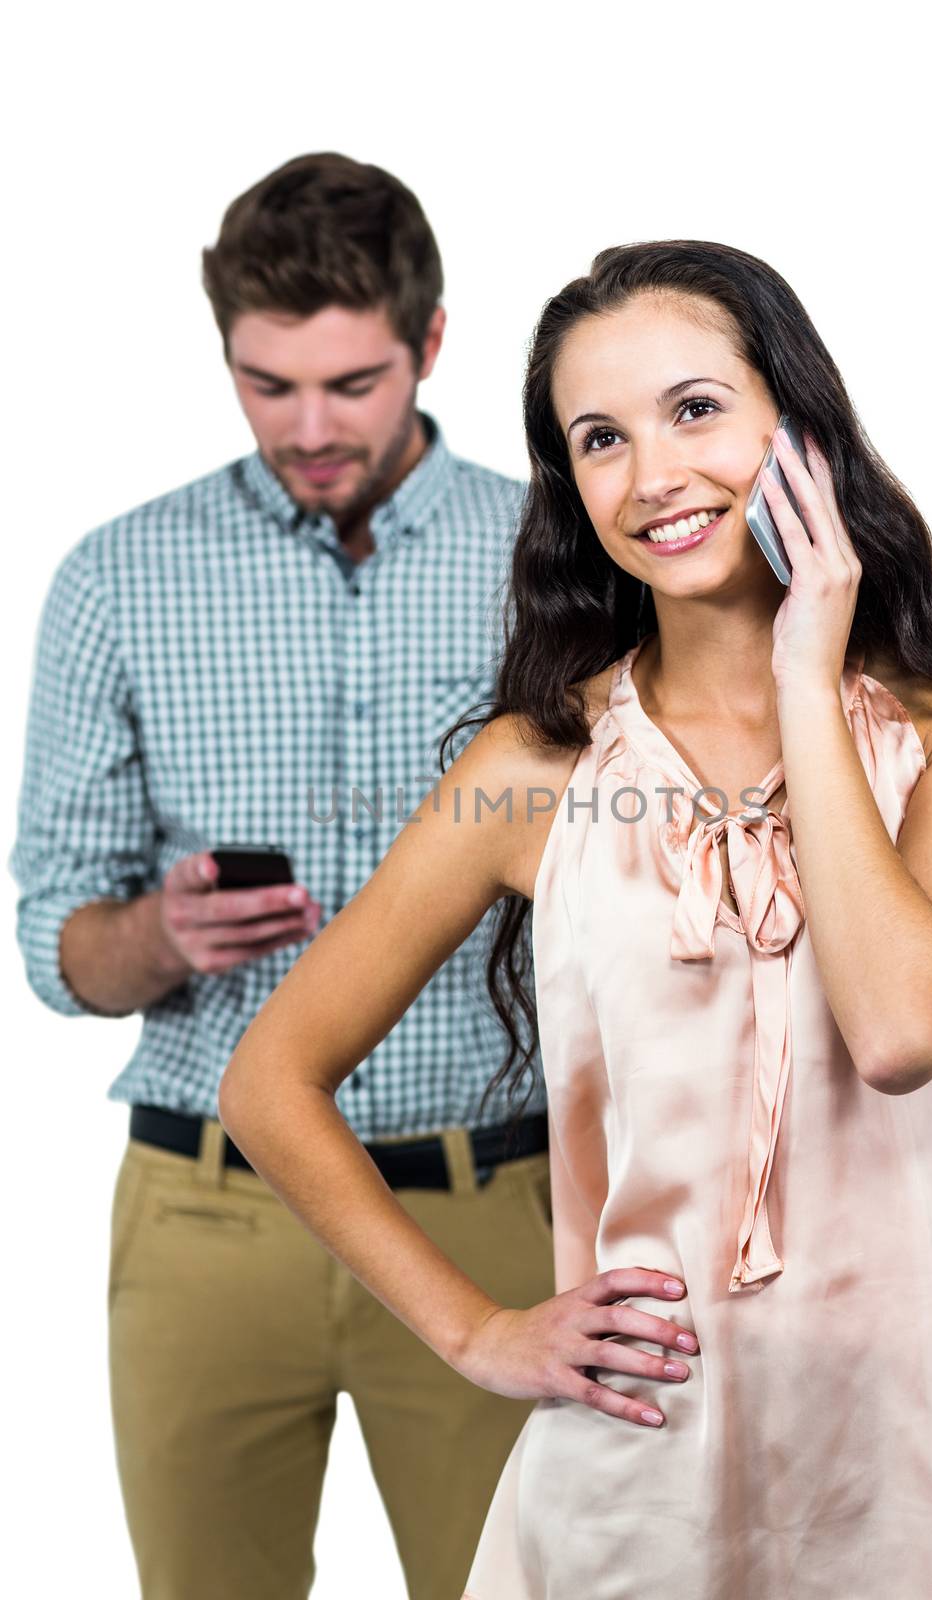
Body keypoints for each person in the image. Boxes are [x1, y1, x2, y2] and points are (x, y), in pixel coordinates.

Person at [217, 239, 932, 1598]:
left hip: (922, 1457)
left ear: (797, 428)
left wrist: (808, 670)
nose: (653, 476)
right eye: (599, 437)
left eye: (695, 410)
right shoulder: (532, 772)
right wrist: (480, 1331)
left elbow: (902, 1028)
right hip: (642, 1471)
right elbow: (271, 1079)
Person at [9, 152, 556, 1600]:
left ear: (430, 344)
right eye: (267, 385)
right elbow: (51, 943)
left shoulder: (555, 559)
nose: (308, 428)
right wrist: (157, 933)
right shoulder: (116, 577)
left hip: (493, 1205)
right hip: (211, 1219)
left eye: (353, 383)